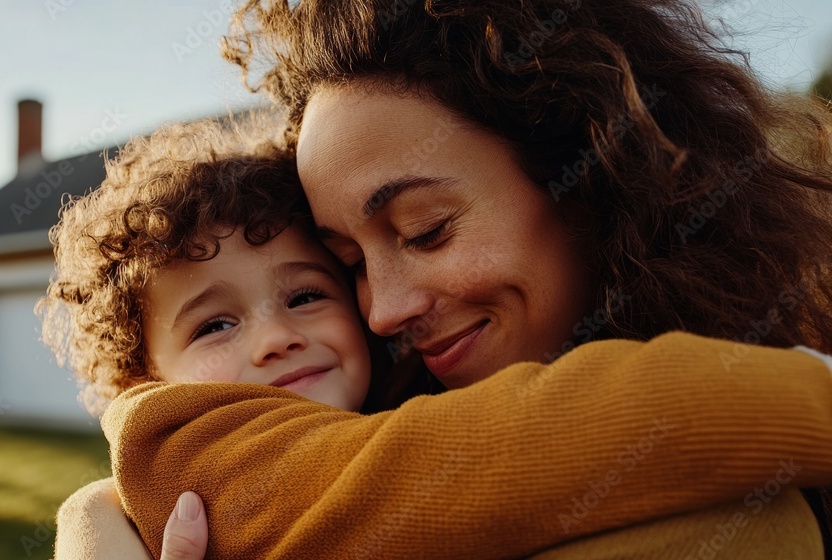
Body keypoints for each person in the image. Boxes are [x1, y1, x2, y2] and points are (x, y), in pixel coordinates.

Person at [53, 0, 832, 557]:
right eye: (352, 263)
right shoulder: (211, 450)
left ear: (591, 175)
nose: (383, 311)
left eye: (426, 230)